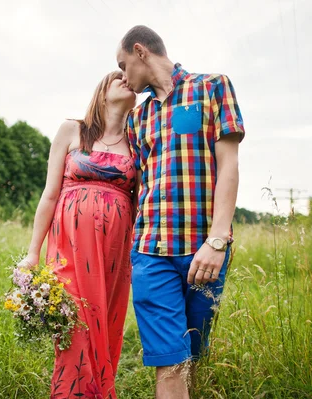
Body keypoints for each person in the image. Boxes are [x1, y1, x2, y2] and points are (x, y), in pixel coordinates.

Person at [116, 25, 245, 398]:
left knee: (191, 356)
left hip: (203, 250)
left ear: (140, 51)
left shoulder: (212, 87)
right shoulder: (137, 119)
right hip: (150, 252)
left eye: (124, 65)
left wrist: (217, 240)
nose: (124, 76)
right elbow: (139, 186)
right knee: (169, 363)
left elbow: (230, 165)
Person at [18, 70, 137, 399]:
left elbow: (140, 201)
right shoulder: (73, 130)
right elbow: (50, 195)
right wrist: (32, 253)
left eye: (131, 77)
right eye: (118, 77)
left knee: (104, 326)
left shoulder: (138, 142)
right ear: (102, 91)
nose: (127, 79)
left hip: (113, 252)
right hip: (68, 247)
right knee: (75, 326)